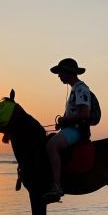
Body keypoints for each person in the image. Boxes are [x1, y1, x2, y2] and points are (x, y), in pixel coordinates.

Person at [44, 57, 92, 203]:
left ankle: (57, 186)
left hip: (77, 131)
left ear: (68, 72)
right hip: (71, 128)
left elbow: (84, 113)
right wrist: (63, 123)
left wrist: (65, 120)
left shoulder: (80, 88)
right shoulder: (74, 89)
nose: (58, 76)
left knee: (51, 145)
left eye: (60, 73)